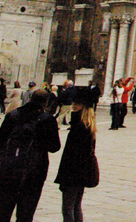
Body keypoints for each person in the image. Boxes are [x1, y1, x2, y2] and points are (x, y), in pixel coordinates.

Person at [0, 88, 61, 222]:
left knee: (2, 211)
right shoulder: (48, 120)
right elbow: (55, 147)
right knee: (26, 213)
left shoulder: (13, 115)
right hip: (34, 171)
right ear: (46, 102)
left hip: (9, 168)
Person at [55, 87, 98, 222]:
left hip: (73, 173)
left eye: (77, 104)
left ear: (83, 106)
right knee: (76, 206)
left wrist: (65, 177)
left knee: (67, 208)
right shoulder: (88, 125)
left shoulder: (79, 127)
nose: (73, 106)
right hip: (82, 173)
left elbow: (71, 155)